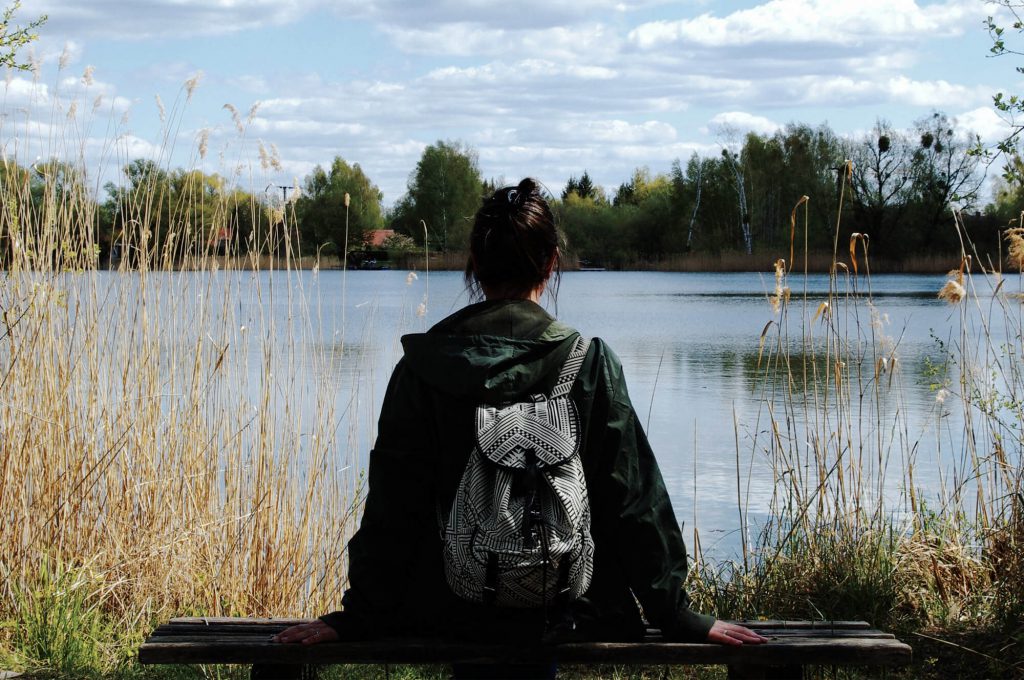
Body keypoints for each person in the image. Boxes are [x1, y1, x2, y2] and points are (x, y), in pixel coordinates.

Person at [273, 178, 766, 668]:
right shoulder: (588, 363)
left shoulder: (423, 368)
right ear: (551, 264)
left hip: (447, 610)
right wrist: (677, 614)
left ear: (474, 265)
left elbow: (392, 507)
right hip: (569, 610)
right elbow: (632, 500)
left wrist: (358, 615)